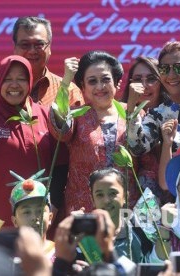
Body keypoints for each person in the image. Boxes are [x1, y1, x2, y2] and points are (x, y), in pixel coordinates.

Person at [0, 55, 57, 227]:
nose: (14, 85)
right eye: (7, 79)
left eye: (21, 79)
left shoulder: (45, 114)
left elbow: (60, 165)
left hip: (39, 219)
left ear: (30, 82)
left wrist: (54, 206)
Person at [49, 51, 140, 214]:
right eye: (92, 81)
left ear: (117, 83)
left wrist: (144, 205)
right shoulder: (76, 114)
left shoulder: (134, 112)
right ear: (82, 87)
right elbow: (59, 130)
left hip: (128, 210)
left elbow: (147, 161)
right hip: (84, 211)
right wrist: (65, 81)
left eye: (106, 80)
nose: (100, 87)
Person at [0, 15, 84, 107]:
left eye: (39, 44)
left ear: (50, 48)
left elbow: (77, 135)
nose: (32, 51)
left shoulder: (68, 89)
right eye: (25, 45)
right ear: (14, 48)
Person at [123, 56, 173, 205]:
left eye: (151, 79)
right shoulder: (119, 114)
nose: (144, 85)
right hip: (129, 198)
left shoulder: (173, 113)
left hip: (172, 196)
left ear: (162, 83)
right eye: (138, 79)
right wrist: (131, 106)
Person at [86, 168, 155, 263]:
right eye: (100, 195)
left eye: (112, 193)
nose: (106, 201)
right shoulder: (84, 237)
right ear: (92, 199)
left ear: (125, 197)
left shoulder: (140, 230)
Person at [9, 175, 55, 261]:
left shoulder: (61, 253)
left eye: (40, 211)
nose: (34, 217)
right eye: (26, 212)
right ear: (15, 221)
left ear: (50, 217)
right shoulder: (7, 256)